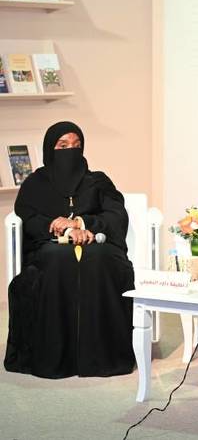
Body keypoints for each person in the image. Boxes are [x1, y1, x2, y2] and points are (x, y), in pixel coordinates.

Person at [4, 121, 136, 379]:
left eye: (76, 145)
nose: (71, 152)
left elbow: (116, 214)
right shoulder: (35, 183)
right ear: (49, 149)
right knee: (55, 258)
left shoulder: (98, 181)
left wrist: (83, 224)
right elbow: (28, 218)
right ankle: (55, 358)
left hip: (97, 244)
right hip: (51, 247)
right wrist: (58, 227)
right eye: (63, 146)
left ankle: (103, 358)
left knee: (99, 259)